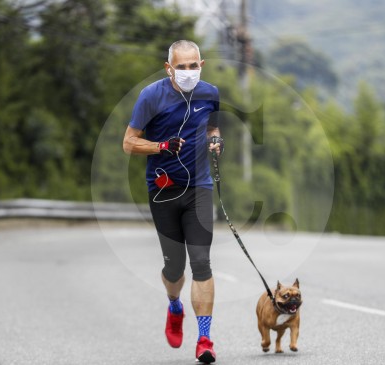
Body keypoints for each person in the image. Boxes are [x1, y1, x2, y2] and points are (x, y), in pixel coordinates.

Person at [122, 40, 223, 364]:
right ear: (169, 69)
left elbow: (212, 126)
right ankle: (175, 305)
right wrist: (162, 146)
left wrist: (214, 140)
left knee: (201, 263)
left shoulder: (210, 93)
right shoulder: (151, 96)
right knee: (174, 267)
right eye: (182, 67)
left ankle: (205, 338)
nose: (188, 72)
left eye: (194, 66)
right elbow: (129, 143)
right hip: (163, 190)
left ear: (201, 65)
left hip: (200, 188)